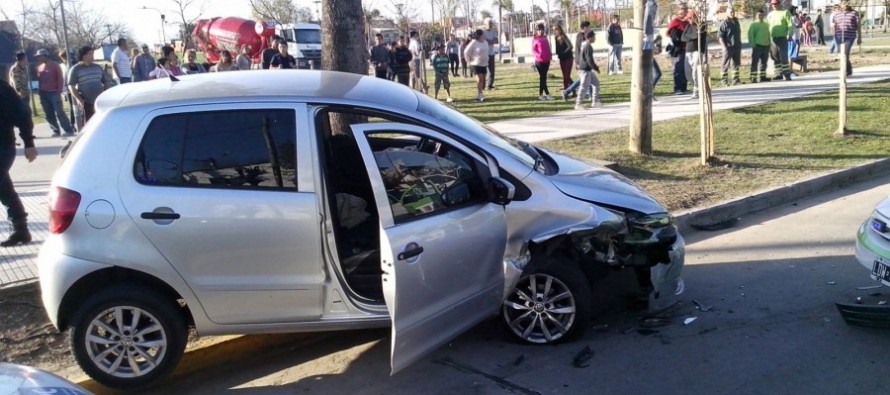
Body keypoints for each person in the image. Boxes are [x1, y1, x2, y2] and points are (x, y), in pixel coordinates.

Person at [0, 79, 38, 247]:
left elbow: (21, 113)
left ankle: (20, 229)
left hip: (2, 146)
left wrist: (29, 143)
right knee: (5, 189)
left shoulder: (2, 88)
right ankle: (21, 230)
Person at [35, 49, 74, 136]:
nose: (38, 58)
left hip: (54, 93)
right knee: (49, 113)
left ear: (45, 56)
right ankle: (55, 130)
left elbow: (60, 79)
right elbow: (40, 80)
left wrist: (59, 91)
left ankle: (68, 130)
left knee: (59, 112)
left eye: (40, 56)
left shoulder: (55, 65)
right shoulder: (39, 67)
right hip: (43, 94)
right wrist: (40, 92)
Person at [67, 46, 108, 125]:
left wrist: (106, 94)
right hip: (86, 102)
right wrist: (79, 99)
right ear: (83, 55)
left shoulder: (98, 67)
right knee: (90, 124)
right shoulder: (76, 69)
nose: (93, 56)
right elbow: (71, 85)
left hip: (100, 100)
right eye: (90, 54)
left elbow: (106, 82)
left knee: (101, 122)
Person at [681, 11, 707, 99]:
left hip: (698, 51)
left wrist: (689, 36)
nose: (688, 20)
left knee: (695, 71)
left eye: (689, 18)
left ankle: (697, 90)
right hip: (688, 51)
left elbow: (696, 36)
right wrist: (690, 36)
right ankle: (697, 87)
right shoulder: (688, 26)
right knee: (687, 73)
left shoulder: (701, 25)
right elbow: (682, 37)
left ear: (694, 17)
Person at [832, 1, 861, 76]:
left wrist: (859, 37)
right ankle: (848, 69)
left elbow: (858, 26)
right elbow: (834, 24)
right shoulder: (837, 13)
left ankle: (845, 71)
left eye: (846, 3)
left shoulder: (854, 13)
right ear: (840, 4)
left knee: (845, 52)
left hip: (850, 36)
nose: (845, 5)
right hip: (838, 36)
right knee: (840, 52)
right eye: (843, 3)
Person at [575, 30, 602, 110]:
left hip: (588, 69)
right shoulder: (588, 46)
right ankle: (578, 104)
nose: (595, 38)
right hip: (585, 70)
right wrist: (596, 68)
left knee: (596, 83)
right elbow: (589, 60)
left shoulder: (585, 45)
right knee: (584, 86)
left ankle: (595, 102)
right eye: (594, 36)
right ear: (590, 37)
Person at [767, 0, 794, 81]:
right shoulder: (770, 15)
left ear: (779, 4)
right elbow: (767, 26)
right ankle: (778, 74)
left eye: (776, 4)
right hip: (773, 38)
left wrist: (790, 34)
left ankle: (786, 74)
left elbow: (790, 24)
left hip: (782, 37)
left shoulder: (785, 12)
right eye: (772, 4)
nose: (774, 5)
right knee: (775, 56)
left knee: (783, 56)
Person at [667, 6, 690, 94]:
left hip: (686, 47)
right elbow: (669, 33)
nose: (684, 12)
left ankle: (684, 87)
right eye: (682, 10)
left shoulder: (687, 21)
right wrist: (676, 38)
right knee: (678, 68)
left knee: (685, 68)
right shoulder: (676, 21)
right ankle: (678, 88)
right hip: (678, 48)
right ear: (678, 11)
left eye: (685, 10)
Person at [718, 8, 742, 86]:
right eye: (731, 12)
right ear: (727, 13)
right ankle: (724, 81)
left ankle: (735, 80)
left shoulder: (736, 22)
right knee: (725, 64)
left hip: (737, 45)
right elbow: (720, 36)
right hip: (728, 47)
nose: (732, 13)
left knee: (736, 63)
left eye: (733, 12)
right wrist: (724, 46)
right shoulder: (724, 23)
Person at [464, 29, 489, 101]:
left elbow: (486, 52)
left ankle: (480, 94)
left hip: (484, 64)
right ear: (479, 35)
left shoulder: (485, 42)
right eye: (483, 34)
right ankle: (480, 95)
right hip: (475, 64)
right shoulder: (474, 42)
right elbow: (466, 51)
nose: (484, 35)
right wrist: (468, 60)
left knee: (483, 80)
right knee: (479, 80)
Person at [531, 24, 554, 101]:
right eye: (538, 30)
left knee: (543, 78)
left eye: (541, 29)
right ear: (536, 31)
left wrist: (550, 55)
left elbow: (548, 48)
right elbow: (534, 50)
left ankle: (541, 95)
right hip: (539, 61)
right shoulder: (535, 39)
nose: (540, 31)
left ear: (544, 30)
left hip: (547, 61)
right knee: (543, 78)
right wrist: (539, 55)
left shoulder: (545, 38)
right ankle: (547, 94)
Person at [748, 10, 772, 83]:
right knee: (755, 62)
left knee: (764, 62)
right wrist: (752, 44)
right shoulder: (754, 24)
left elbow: (768, 34)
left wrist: (769, 43)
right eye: (759, 15)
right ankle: (753, 77)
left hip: (766, 46)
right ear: (756, 16)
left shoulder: (766, 24)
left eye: (762, 15)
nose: (760, 16)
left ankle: (762, 76)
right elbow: (751, 34)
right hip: (757, 46)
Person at [553, 25, 574, 96]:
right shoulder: (556, 38)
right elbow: (557, 47)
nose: (555, 31)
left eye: (556, 29)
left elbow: (570, 46)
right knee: (566, 76)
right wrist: (558, 53)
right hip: (561, 59)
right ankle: (574, 91)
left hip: (568, 58)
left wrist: (564, 52)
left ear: (560, 29)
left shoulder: (563, 36)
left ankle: (565, 91)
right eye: (554, 30)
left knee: (566, 76)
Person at [8, 52, 30, 117]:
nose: (27, 59)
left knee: (27, 113)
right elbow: (16, 84)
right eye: (26, 58)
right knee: (24, 114)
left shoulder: (24, 68)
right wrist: (20, 94)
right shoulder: (16, 69)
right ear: (23, 59)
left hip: (25, 94)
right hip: (20, 96)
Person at [482, 18, 499, 90]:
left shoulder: (493, 32)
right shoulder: (483, 32)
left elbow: (496, 40)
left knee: (492, 71)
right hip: (484, 54)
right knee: (483, 72)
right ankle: (482, 86)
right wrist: (491, 41)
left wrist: (491, 41)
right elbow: (483, 40)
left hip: (491, 54)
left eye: (491, 23)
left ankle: (490, 85)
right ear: (485, 24)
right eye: (489, 23)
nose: (490, 25)